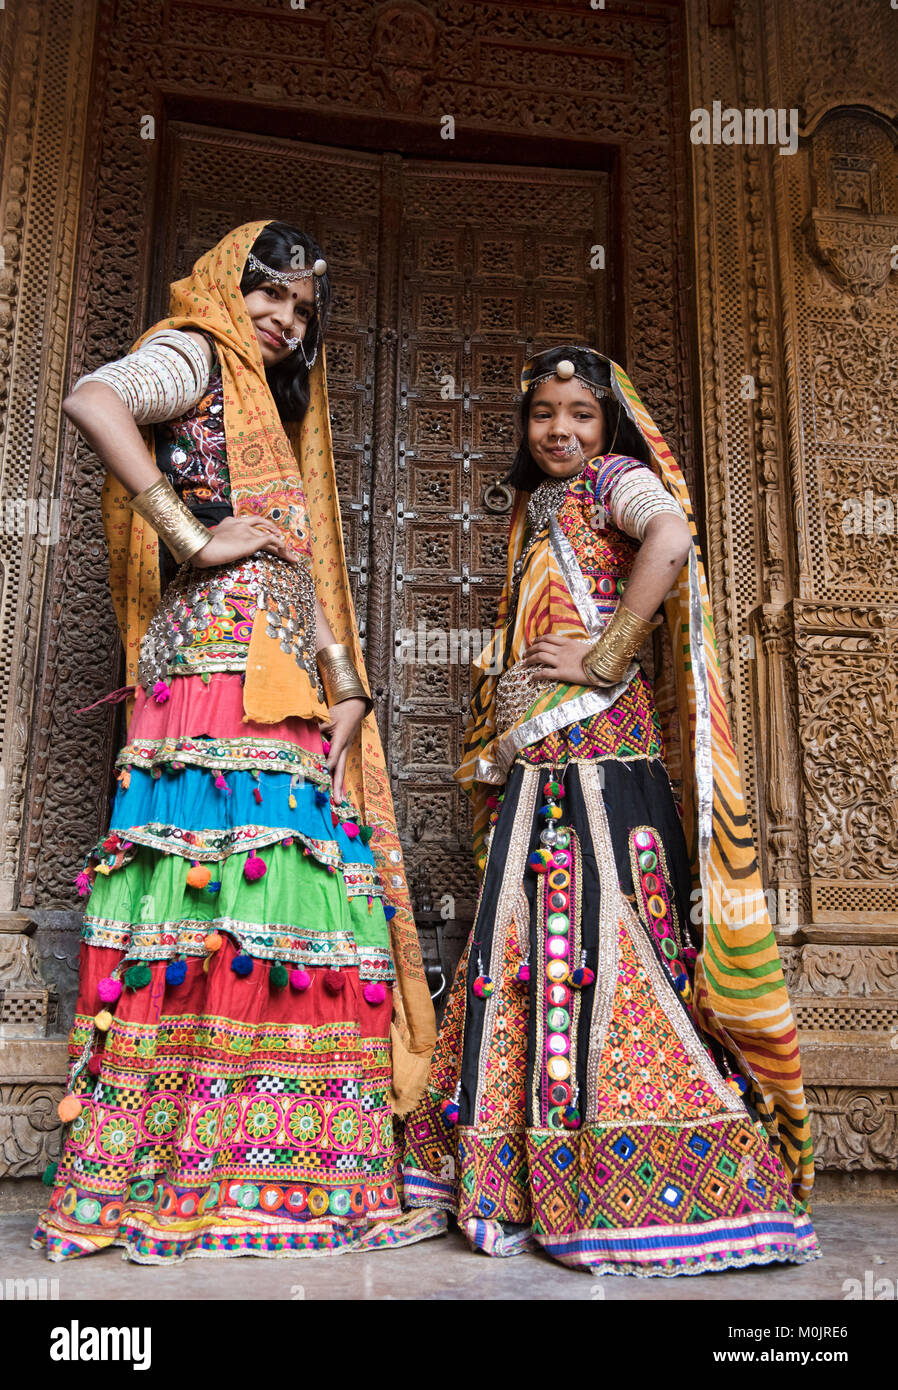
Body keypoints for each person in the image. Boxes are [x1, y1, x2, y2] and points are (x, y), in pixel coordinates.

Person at [33, 219, 441, 1263]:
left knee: (284, 918)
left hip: (273, 680)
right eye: (270, 293)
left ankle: (275, 1168)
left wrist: (345, 687)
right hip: (212, 674)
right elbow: (94, 396)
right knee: (222, 909)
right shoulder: (197, 350)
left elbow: (302, 570)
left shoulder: (269, 410)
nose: (283, 319)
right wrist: (192, 535)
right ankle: (205, 1164)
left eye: (302, 310)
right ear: (229, 285)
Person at [402, 344, 820, 1275]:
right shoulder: (540, 505)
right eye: (545, 414)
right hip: (549, 762)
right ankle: (517, 1171)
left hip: (599, 758)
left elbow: (671, 535)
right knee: (533, 942)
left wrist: (609, 650)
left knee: (602, 939)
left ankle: (638, 1178)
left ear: (610, 426)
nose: (561, 430)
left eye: (581, 414)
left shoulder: (615, 480)